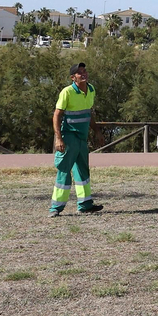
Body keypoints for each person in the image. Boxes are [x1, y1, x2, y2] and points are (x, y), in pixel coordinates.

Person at [50, 62, 103, 216]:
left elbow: (88, 113)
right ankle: (56, 208)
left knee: (82, 171)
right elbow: (57, 115)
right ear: (73, 78)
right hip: (69, 137)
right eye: (79, 72)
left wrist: (97, 131)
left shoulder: (91, 89)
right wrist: (58, 139)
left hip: (82, 138)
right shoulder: (67, 92)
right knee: (64, 170)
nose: (83, 74)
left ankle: (86, 204)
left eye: (84, 71)